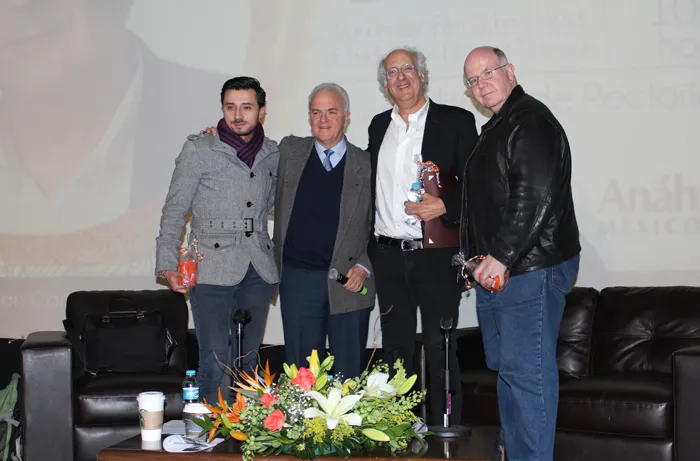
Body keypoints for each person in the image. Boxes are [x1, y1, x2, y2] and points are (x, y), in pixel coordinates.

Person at [462, 46, 581, 461]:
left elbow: (533, 197)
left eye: (487, 73)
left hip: (529, 266)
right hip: (505, 268)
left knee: (527, 374)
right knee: (509, 372)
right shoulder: (501, 124)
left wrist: (501, 255)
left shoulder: (529, 121)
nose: (481, 85)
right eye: (472, 80)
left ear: (509, 71)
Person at [367, 47, 478, 425]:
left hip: (435, 255)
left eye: (408, 69)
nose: (401, 77)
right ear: (385, 85)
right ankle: (397, 430)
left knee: (439, 345)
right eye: (392, 72)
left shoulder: (456, 121)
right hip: (388, 256)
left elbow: (480, 186)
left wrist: (445, 205)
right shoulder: (378, 125)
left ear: (422, 75)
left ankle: (445, 429)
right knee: (395, 350)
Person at [155, 77, 279, 405]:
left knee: (248, 363)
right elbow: (175, 208)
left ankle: (246, 441)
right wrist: (167, 263)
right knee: (213, 360)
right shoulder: (199, 148)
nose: (238, 115)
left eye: (247, 107)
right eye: (230, 107)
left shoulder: (273, 153)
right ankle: (207, 442)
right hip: (210, 268)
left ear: (261, 111)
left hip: (258, 269)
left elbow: (277, 205)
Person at [273, 83, 376, 379]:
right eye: (316, 112)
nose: (323, 119)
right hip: (298, 280)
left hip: (349, 282)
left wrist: (363, 266)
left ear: (347, 117)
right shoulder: (289, 152)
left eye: (331, 111)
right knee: (302, 378)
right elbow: (249, 148)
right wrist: (217, 135)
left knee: (348, 376)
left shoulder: (367, 164)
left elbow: (382, 223)